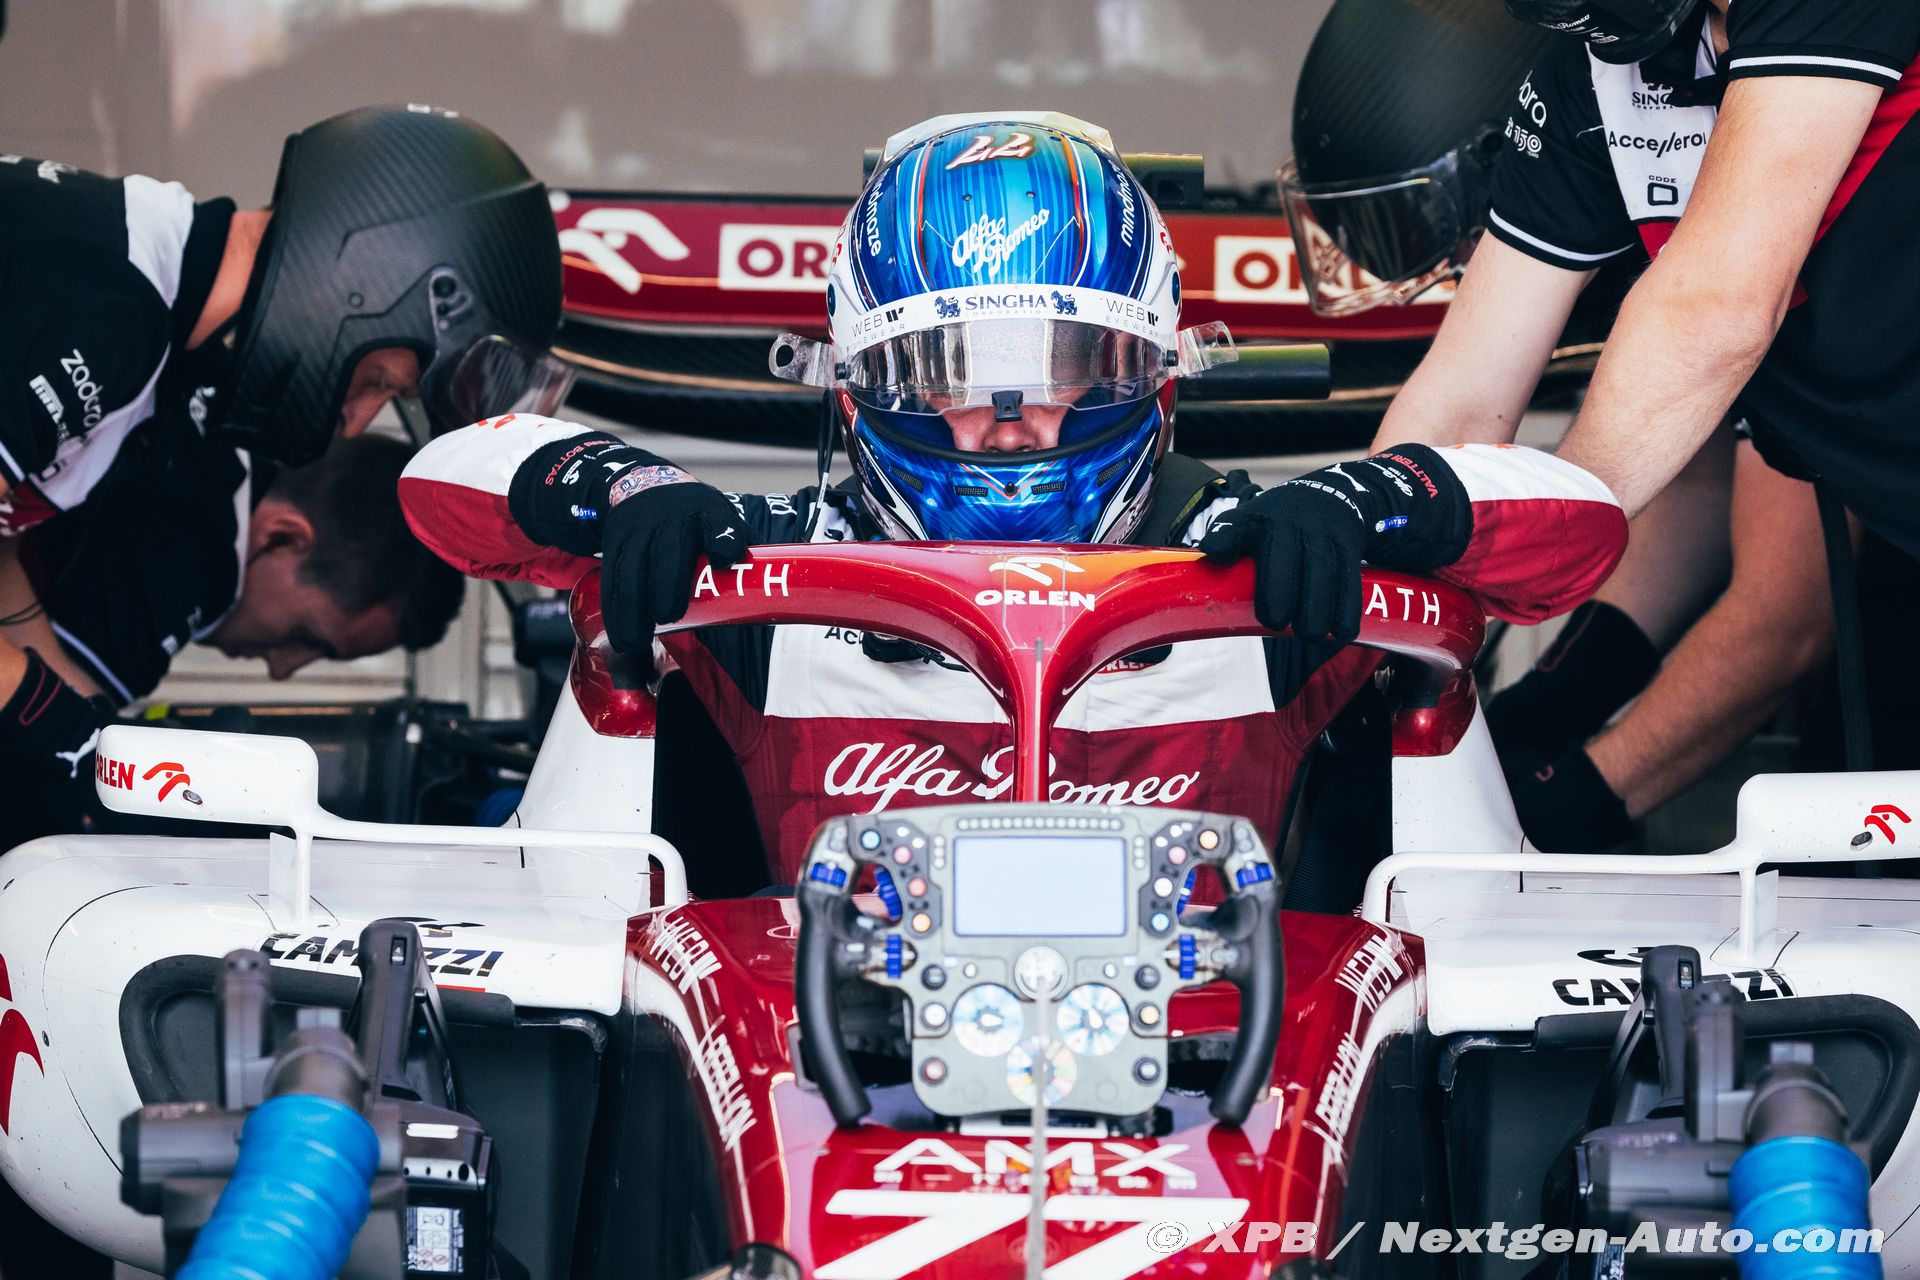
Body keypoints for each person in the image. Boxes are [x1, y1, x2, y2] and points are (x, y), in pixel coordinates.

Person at [399, 112, 1627, 885]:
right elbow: (446, 478)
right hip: (819, 1084)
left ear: (1155, 373)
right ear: (855, 387)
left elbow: (1577, 523)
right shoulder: (753, 588)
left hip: (1222, 1090)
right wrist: (624, 489)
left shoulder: (1272, 578)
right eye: (944, 372)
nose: (1008, 423)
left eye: (1065, 366)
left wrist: (1369, 503)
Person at [1285, 0, 1920, 850]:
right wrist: (1353, 646)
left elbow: (1716, 315)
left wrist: (1488, 529)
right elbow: (1466, 397)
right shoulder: (1594, 80)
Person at [0, 103, 570, 830]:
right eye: (377, 381)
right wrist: (71, 743)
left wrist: (98, 742)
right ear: (358, 282)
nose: (354, 422)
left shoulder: (162, 339)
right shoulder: (113, 302)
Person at [0, 431, 466, 848]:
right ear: (284, 538)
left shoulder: (208, 453)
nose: (281, 669)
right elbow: (68, 749)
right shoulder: (189, 553)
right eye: (306, 637)